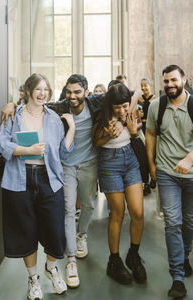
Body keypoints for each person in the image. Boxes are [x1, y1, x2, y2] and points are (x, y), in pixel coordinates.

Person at [0, 74, 132, 288]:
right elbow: (33, 105)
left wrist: (121, 119)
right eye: (69, 92)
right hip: (64, 166)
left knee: (86, 205)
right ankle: (70, 261)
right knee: (68, 211)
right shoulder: (58, 108)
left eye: (77, 92)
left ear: (86, 92)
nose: (73, 96)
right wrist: (11, 103)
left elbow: (126, 95)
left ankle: (79, 238)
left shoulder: (93, 103)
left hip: (85, 164)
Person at [0, 73, 75, 300]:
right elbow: (3, 145)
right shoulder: (13, 115)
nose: (42, 94)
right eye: (38, 89)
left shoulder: (53, 118)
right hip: (19, 179)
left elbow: (63, 152)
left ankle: (51, 268)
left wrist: (71, 129)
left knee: (55, 230)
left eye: (46, 90)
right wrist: (28, 151)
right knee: (26, 230)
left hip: (48, 178)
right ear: (29, 91)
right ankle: (33, 279)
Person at [92, 83, 147, 285]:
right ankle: (114, 261)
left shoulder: (130, 112)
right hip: (109, 163)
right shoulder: (102, 116)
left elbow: (137, 95)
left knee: (138, 212)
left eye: (125, 106)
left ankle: (133, 255)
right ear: (110, 104)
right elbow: (96, 141)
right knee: (118, 213)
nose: (123, 110)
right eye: (118, 107)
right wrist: (110, 133)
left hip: (130, 160)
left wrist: (130, 128)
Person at [146, 64, 193, 298]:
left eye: (174, 80)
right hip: (167, 173)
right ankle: (177, 277)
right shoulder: (157, 105)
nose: (170, 85)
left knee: (189, 222)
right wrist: (153, 167)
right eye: (166, 81)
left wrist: (189, 158)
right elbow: (151, 134)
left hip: (192, 175)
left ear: (184, 80)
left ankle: (184, 256)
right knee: (172, 223)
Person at [138, 78, 156, 195]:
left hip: (151, 128)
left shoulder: (155, 99)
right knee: (143, 155)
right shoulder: (139, 99)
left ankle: (153, 177)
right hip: (141, 127)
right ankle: (145, 182)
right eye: (142, 86)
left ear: (150, 85)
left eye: (146, 85)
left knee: (152, 153)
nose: (144, 88)